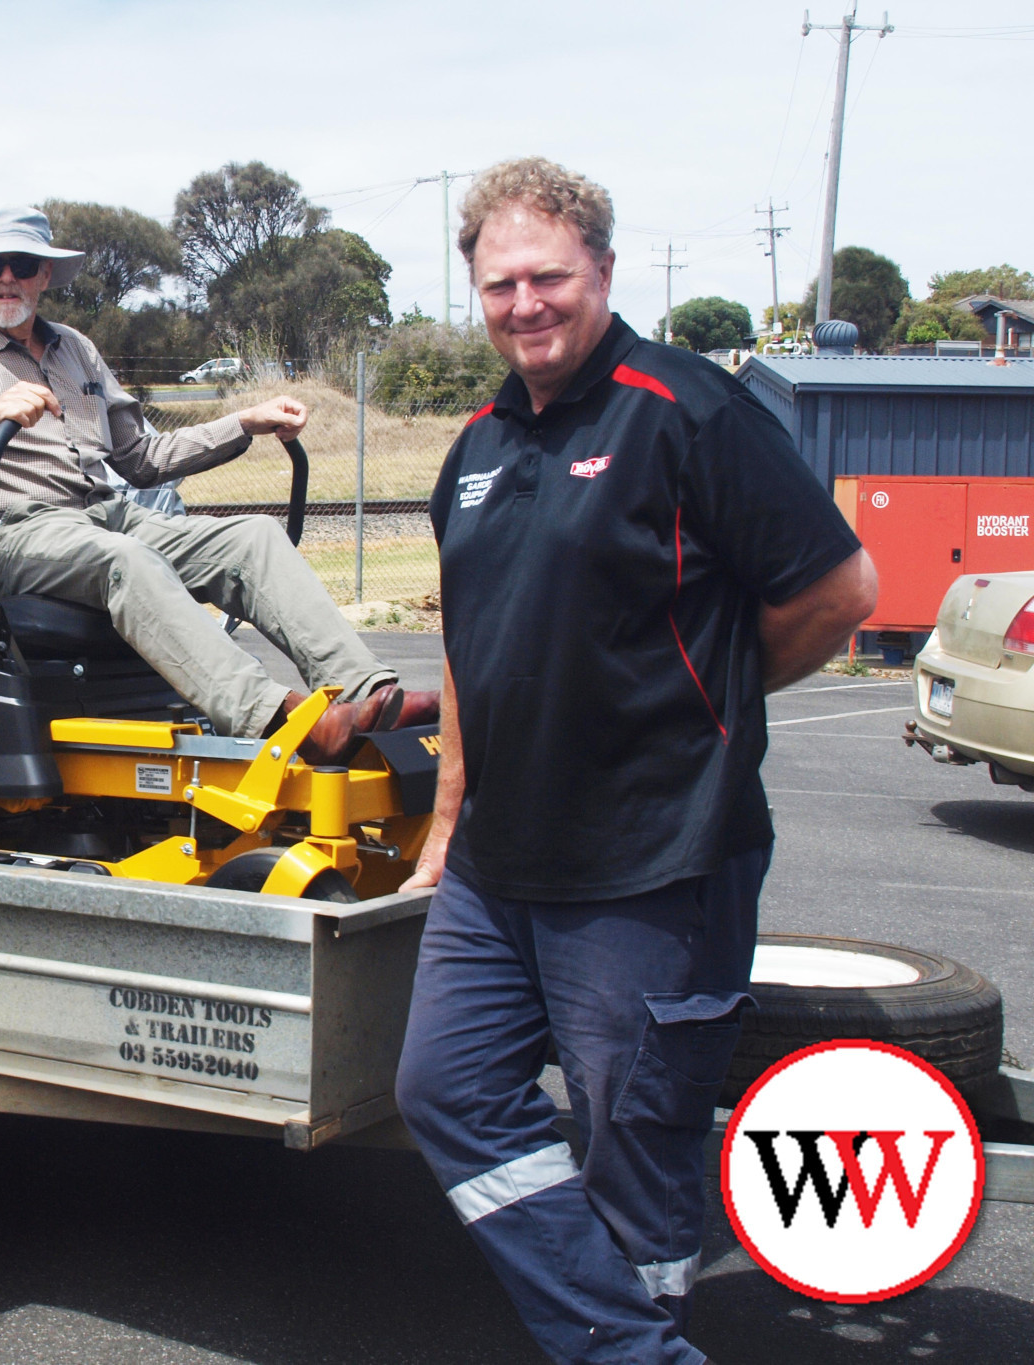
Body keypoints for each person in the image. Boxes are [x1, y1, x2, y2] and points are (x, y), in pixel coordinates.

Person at [392, 158, 877, 1364]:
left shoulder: (685, 410)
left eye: (546, 277)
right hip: (499, 866)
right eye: (498, 284)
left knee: (633, 1147)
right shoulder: (476, 444)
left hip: (652, 857)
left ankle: (624, 1340)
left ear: (601, 271)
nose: (523, 304)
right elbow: (465, 641)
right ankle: (623, 1346)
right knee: (442, 1092)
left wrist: (701, 696)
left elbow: (837, 591)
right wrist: (446, 820)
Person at [0, 206, 436, 760]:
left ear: (43, 276)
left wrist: (242, 422)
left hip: (106, 515)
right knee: (126, 560)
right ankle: (289, 720)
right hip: (13, 535)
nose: (5, 277)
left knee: (252, 538)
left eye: (21, 264)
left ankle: (373, 696)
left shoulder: (76, 350)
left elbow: (141, 458)